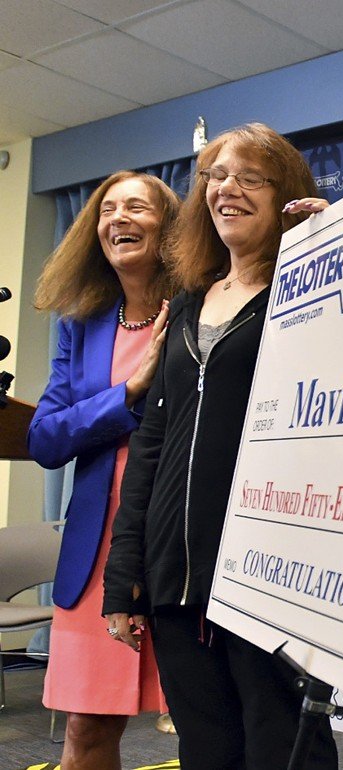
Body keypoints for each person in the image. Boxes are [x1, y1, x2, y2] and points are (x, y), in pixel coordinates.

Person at [102, 124, 338, 769]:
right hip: (177, 578)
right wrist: (126, 574)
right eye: (216, 176)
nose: (228, 189)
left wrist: (336, 248)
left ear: (285, 192)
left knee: (285, 751)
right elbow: (152, 443)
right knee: (208, 754)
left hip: (271, 574)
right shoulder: (183, 306)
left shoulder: (311, 288)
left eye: (250, 177)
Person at [29, 170, 176, 769]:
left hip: (179, 547)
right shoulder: (79, 324)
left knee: (210, 728)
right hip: (95, 555)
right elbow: (44, 438)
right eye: (107, 209)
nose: (119, 218)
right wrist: (127, 393)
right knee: (85, 734)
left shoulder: (202, 306)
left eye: (137, 207)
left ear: (170, 225)